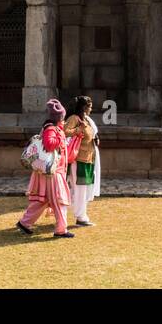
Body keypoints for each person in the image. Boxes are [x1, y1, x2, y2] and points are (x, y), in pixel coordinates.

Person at [17, 98, 74, 239]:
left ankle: (25, 223)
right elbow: (49, 144)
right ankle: (61, 229)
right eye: (62, 118)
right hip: (53, 172)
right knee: (59, 201)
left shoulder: (52, 128)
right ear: (59, 118)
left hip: (51, 171)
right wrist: (61, 137)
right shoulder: (51, 129)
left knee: (42, 200)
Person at [63, 95, 100, 227]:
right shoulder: (74, 119)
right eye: (89, 107)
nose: (91, 109)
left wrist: (95, 139)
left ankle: (80, 214)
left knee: (84, 188)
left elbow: (91, 134)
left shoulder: (87, 120)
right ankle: (80, 217)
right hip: (78, 159)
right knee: (80, 188)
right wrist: (78, 130)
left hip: (88, 158)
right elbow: (65, 131)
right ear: (84, 108)